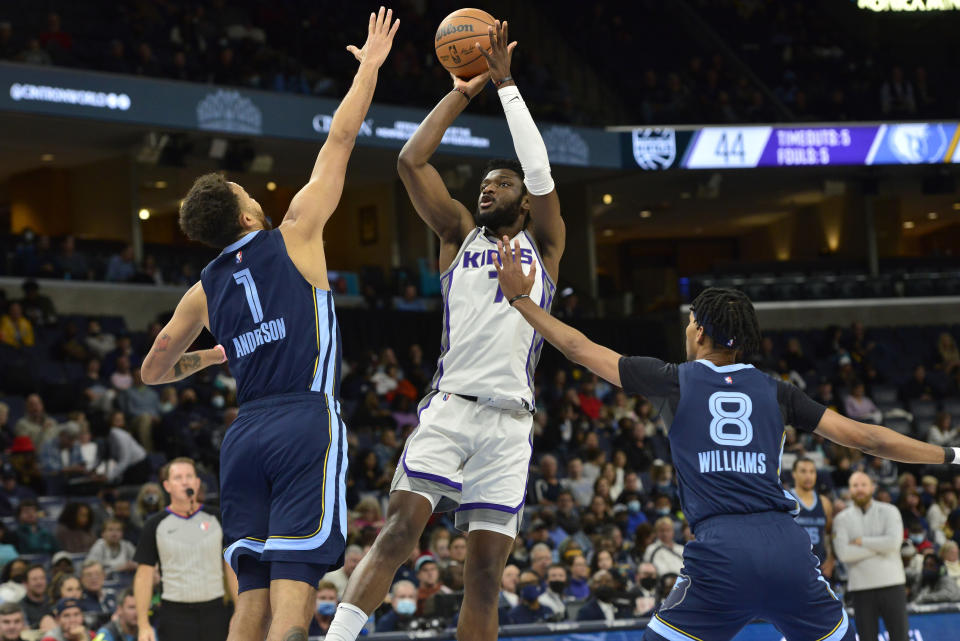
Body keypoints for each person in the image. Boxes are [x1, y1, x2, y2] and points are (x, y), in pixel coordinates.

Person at [492, 271, 960, 641]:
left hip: (722, 550)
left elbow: (578, 348)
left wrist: (521, 299)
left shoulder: (674, 379)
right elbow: (868, 439)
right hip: (787, 546)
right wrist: (951, 454)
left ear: (698, 330)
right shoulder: (778, 391)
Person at [137, 10, 399, 641]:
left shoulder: (202, 290)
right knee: (292, 601)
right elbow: (340, 140)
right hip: (303, 422)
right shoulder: (297, 230)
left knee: (248, 604)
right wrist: (367, 69)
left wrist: (207, 358)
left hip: (244, 437)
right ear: (243, 207)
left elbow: (151, 371)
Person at [326, 20, 565, 641]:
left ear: (524, 200)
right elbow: (411, 159)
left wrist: (509, 89)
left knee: (485, 576)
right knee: (400, 533)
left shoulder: (545, 245)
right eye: (484, 183)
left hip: (510, 422)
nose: (489, 188)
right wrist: (466, 90)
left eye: (501, 184)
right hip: (452, 408)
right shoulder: (459, 233)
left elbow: (540, 171)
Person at [132, 458, 234, 641]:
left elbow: (231, 567)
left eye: (189, 476)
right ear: (167, 486)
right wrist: (143, 624)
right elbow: (143, 576)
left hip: (216, 610)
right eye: (178, 477)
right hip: (174, 614)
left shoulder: (216, 518)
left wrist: (241, 611)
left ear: (197, 482)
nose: (185, 481)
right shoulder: (155, 525)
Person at [833, 472, 908, 641]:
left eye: (863, 485)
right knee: (867, 637)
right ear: (849, 489)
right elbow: (844, 554)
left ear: (872, 487)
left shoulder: (890, 511)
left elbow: (893, 544)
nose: (859, 489)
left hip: (892, 584)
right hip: (861, 588)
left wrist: (861, 541)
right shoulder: (841, 519)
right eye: (855, 485)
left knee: (900, 636)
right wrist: (879, 547)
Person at [790, 457, 835, 578]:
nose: (808, 476)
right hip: (792, 567)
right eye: (803, 471)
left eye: (812, 471)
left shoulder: (824, 502)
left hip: (819, 568)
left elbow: (829, 534)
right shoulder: (786, 501)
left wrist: (831, 558)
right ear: (794, 474)